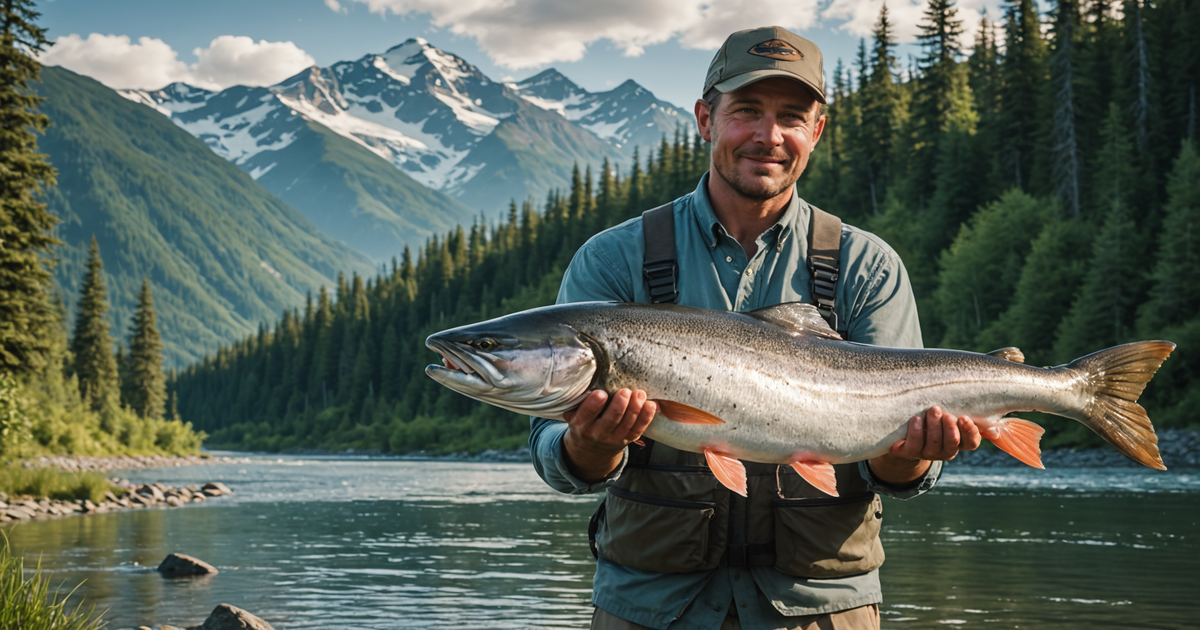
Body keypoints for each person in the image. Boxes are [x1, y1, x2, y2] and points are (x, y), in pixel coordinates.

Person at [529, 25, 982, 630]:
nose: (768, 136)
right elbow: (551, 453)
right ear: (705, 119)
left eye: (792, 117)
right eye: (746, 111)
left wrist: (913, 458)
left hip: (823, 610)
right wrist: (588, 447)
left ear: (815, 132)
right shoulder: (614, 260)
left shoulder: (868, 265)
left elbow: (905, 475)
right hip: (650, 608)